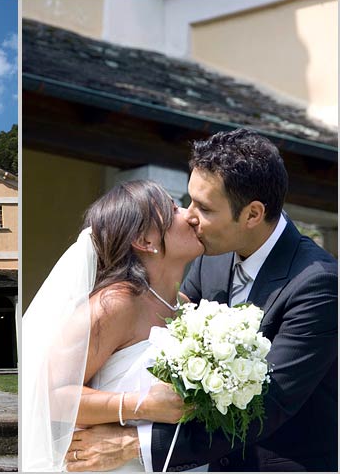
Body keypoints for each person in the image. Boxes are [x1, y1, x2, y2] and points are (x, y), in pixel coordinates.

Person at [66, 129, 338, 472]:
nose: (190, 216)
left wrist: (134, 444)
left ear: (253, 214)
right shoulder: (211, 255)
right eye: (188, 199)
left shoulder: (319, 284)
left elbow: (269, 406)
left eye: (204, 207)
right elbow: (168, 338)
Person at [22, 180, 205, 471]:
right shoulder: (116, 303)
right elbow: (52, 396)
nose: (190, 215)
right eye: (173, 210)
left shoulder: (187, 307)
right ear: (145, 240)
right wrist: (143, 404)